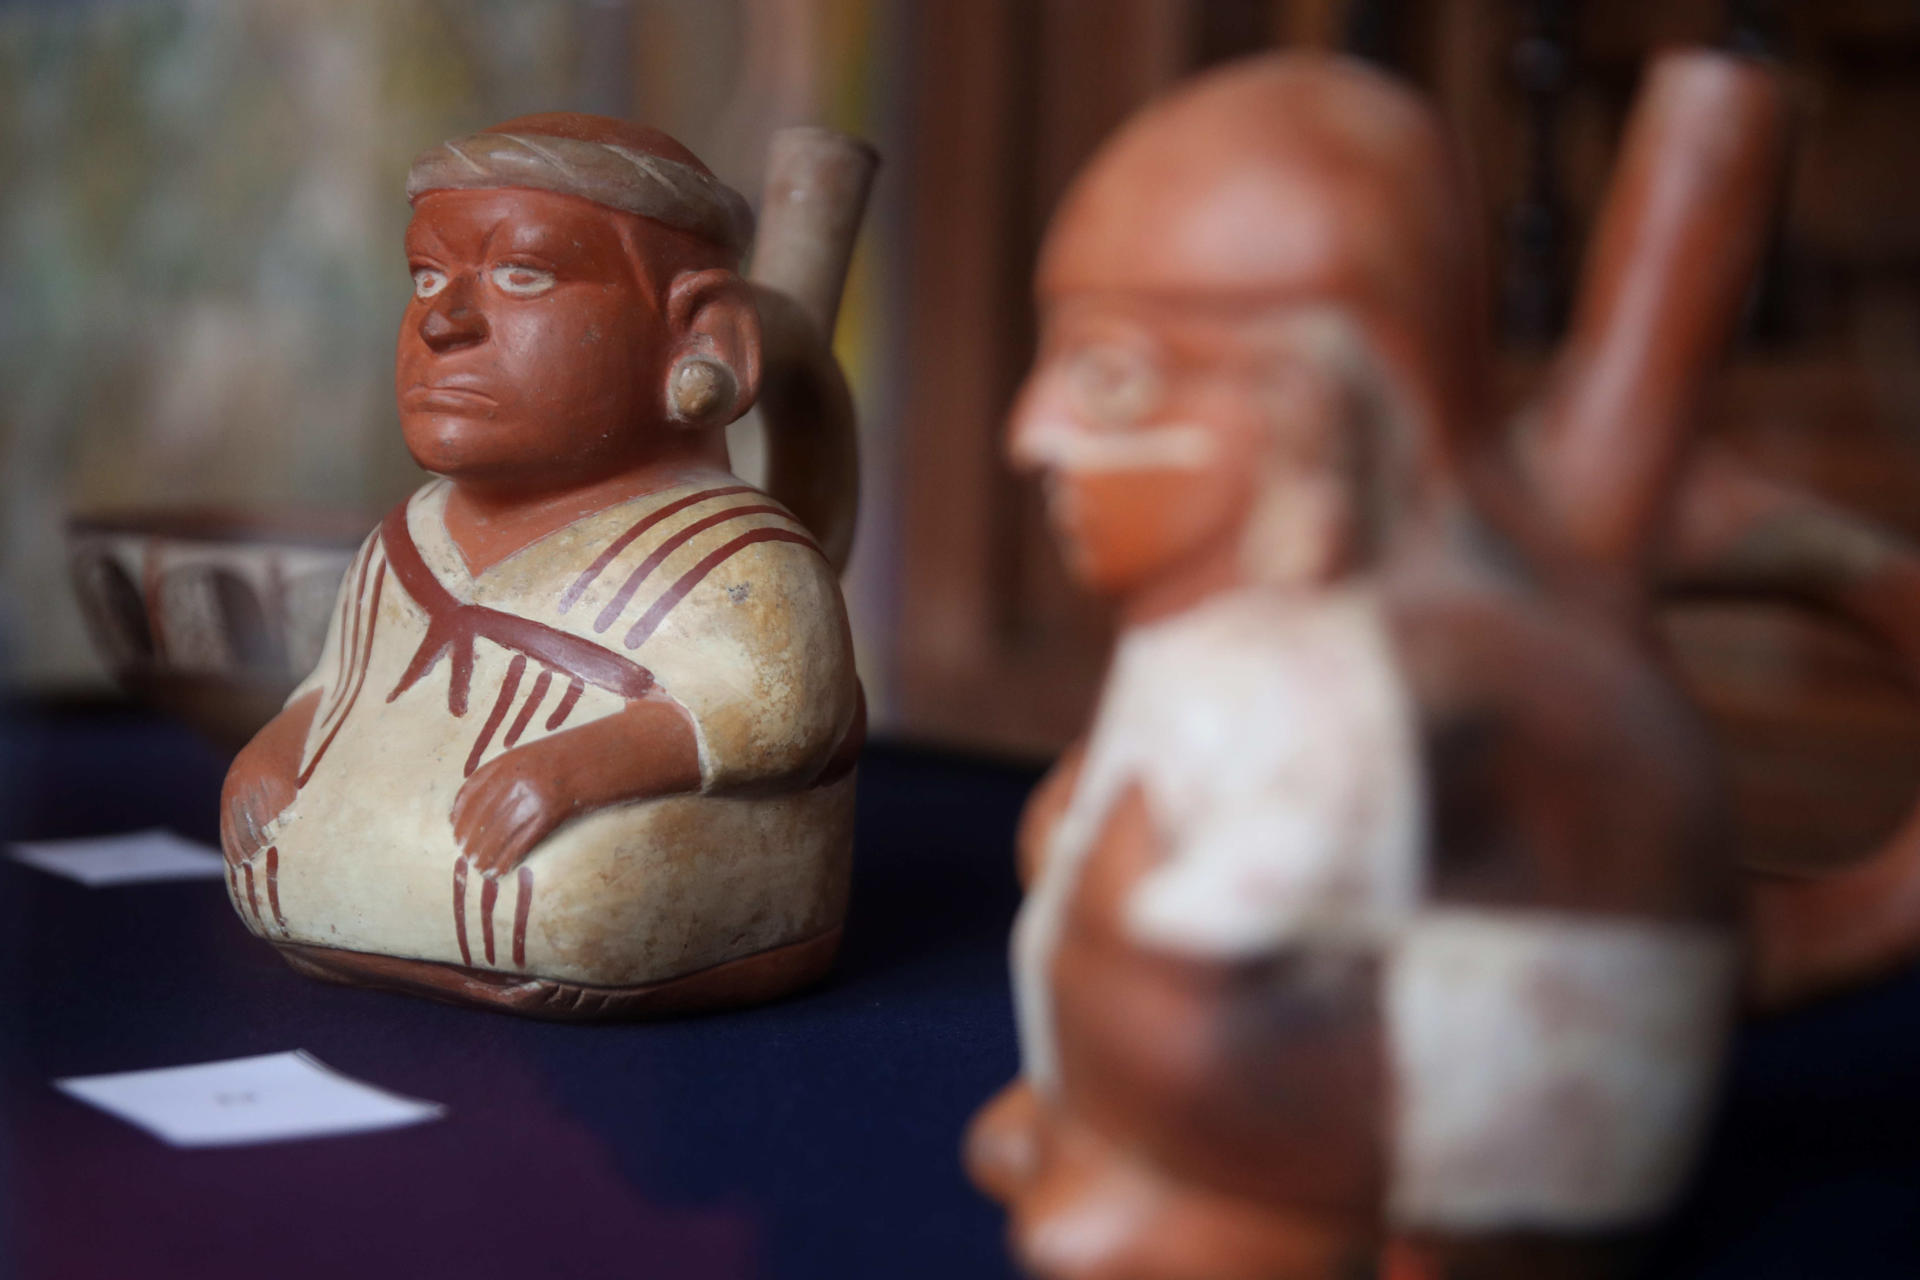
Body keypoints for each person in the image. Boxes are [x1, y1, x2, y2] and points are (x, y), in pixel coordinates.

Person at [966, 55, 1739, 1279]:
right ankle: (1122, 1137)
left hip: (1435, 1120)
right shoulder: (1215, 632)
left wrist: (1143, 878)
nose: (1032, 432)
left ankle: (1254, 1206)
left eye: (1107, 376)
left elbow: (1268, 891)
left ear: (1306, 410)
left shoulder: (1369, 668)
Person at [218, 114, 862, 1018]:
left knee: (583, 877)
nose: (443, 320)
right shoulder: (407, 536)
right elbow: (338, 687)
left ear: (698, 335)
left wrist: (578, 769)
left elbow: (781, 714)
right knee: (280, 835)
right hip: (440, 861)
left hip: (575, 870)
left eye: (524, 274)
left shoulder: (737, 554)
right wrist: (274, 751)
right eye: (427, 275)